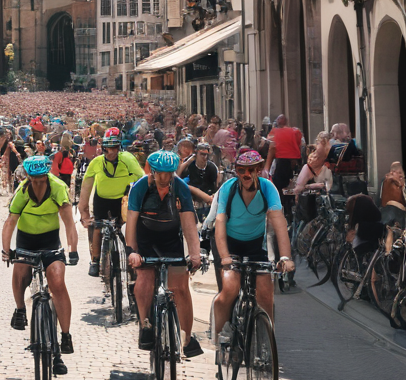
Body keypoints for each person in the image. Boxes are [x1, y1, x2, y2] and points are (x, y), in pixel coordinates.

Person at [1, 154, 79, 377]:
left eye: (41, 180)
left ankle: (65, 335)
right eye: (33, 180)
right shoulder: (23, 191)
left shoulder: (58, 188)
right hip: (26, 239)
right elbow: (10, 223)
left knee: (57, 283)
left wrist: (72, 250)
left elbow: (68, 222)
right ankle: (19, 309)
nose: (37, 184)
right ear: (28, 177)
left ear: (47, 176)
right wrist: (6, 250)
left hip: (50, 240)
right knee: (20, 274)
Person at [126, 149, 203, 358]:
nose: (164, 178)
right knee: (145, 278)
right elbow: (131, 222)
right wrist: (132, 252)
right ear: (152, 171)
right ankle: (146, 325)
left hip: (171, 240)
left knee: (180, 287)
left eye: (169, 173)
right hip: (145, 239)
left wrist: (195, 254)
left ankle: (187, 339)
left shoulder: (180, 187)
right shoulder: (140, 187)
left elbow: (189, 224)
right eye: (160, 173)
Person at [212, 150, 294, 344]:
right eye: (241, 170)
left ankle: (267, 343)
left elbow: (279, 223)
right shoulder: (228, 189)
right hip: (229, 245)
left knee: (266, 293)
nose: (246, 175)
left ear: (258, 170)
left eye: (251, 170)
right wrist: (224, 257)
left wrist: (285, 257)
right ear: (236, 171)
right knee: (230, 289)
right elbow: (220, 223)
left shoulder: (268, 189)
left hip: (256, 244)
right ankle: (219, 338)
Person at [78, 126, 142, 277]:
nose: (112, 152)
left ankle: (132, 258)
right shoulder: (96, 162)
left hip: (121, 200)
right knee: (99, 228)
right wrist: (83, 210)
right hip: (102, 199)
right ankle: (95, 261)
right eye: (108, 148)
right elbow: (86, 187)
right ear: (103, 148)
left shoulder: (128, 159)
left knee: (128, 228)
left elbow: (141, 180)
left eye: (115, 148)